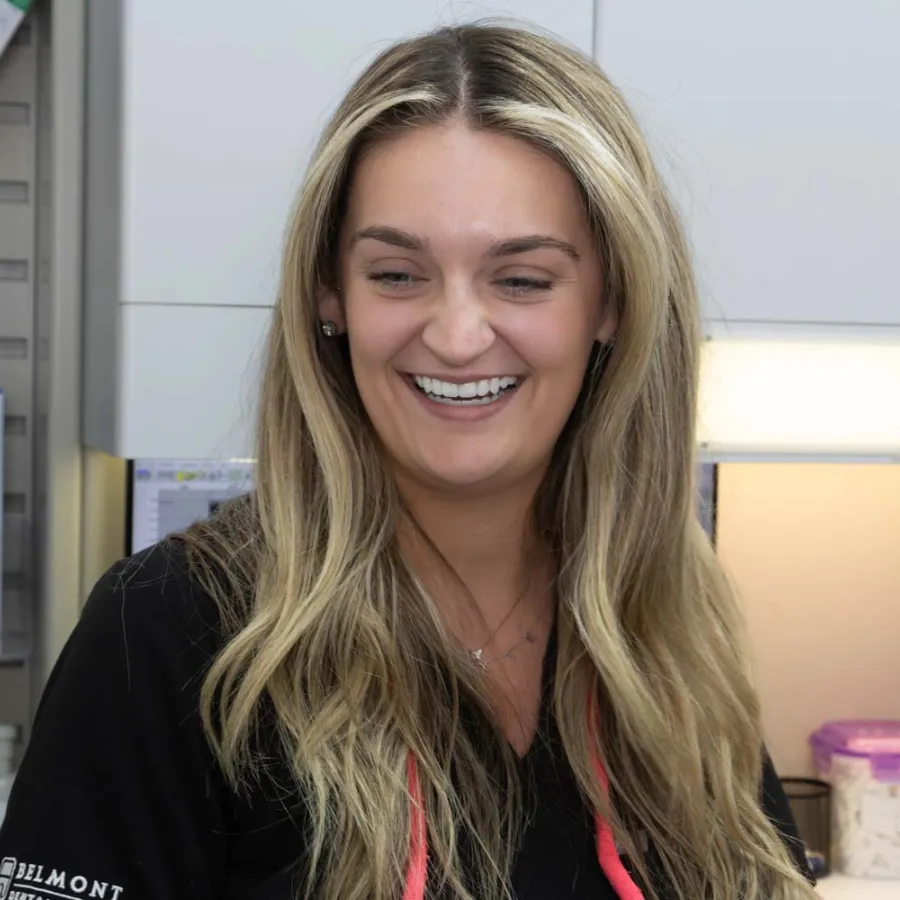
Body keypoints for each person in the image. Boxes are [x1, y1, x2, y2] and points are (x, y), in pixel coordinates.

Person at [0, 23, 816, 900]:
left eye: (524, 279)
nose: (458, 337)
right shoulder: (170, 635)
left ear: (610, 301)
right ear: (329, 292)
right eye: (397, 275)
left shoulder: (667, 627)